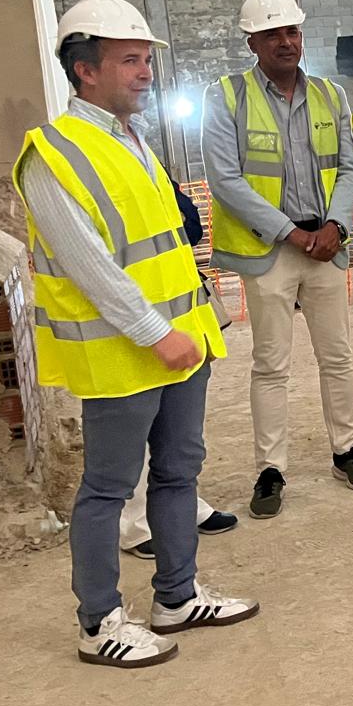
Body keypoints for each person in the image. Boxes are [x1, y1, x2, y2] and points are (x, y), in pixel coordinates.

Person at [18, 0, 255, 668]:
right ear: (84, 69)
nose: (145, 73)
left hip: (182, 342)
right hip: (126, 352)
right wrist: (157, 333)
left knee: (180, 472)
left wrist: (195, 324)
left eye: (147, 60)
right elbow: (89, 265)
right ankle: (99, 623)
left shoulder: (129, 137)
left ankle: (176, 596)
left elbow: (162, 247)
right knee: (108, 489)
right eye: (130, 60)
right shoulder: (52, 154)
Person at [202, 0, 353, 520]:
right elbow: (224, 179)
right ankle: (270, 468)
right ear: (251, 41)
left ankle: (346, 449)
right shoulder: (226, 96)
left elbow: (349, 167)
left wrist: (333, 226)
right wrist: (291, 234)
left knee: (338, 357)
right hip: (269, 251)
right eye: (273, 33)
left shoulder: (330, 95)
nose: (285, 42)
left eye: (292, 31)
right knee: (271, 364)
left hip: (325, 246)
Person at [121, 182, 237, 558]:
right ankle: (136, 524)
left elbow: (190, 225)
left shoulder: (140, 152)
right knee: (136, 422)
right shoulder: (93, 157)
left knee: (176, 429)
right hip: (129, 313)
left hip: (174, 306)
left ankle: (185, 507)